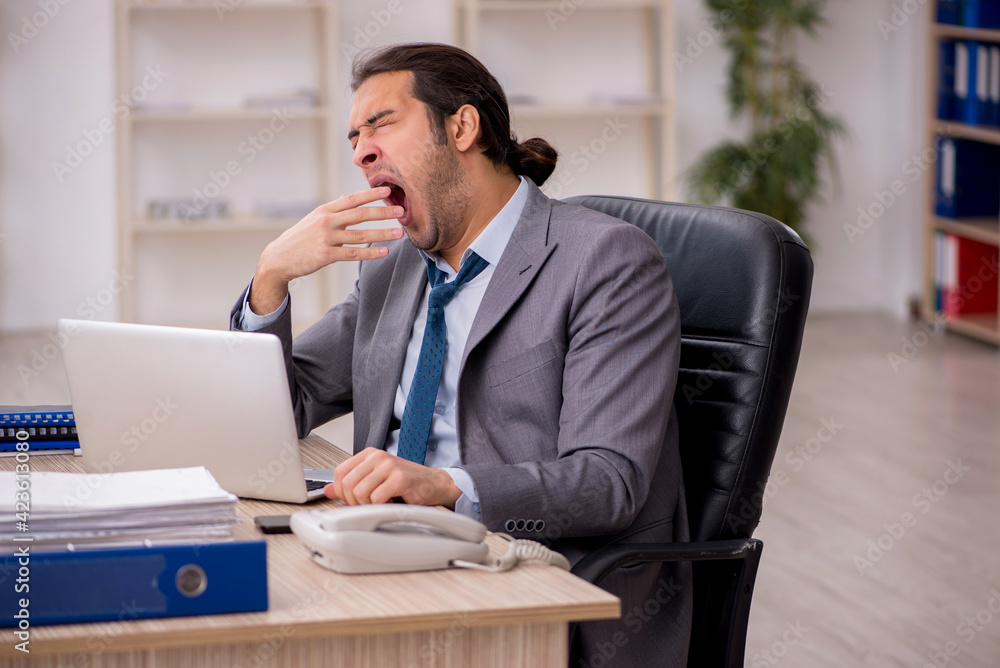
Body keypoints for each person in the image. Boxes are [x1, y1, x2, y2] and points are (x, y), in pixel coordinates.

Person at [230, 42, 691, 666]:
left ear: (462, 127)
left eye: (381, 123)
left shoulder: (604, 261)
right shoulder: (396, 269)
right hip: (384, 550)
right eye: (354, 136)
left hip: (526, 581)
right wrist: (270, 278)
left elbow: (609, 481)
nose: (362, 150)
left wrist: (446, 486)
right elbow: (282, 407)